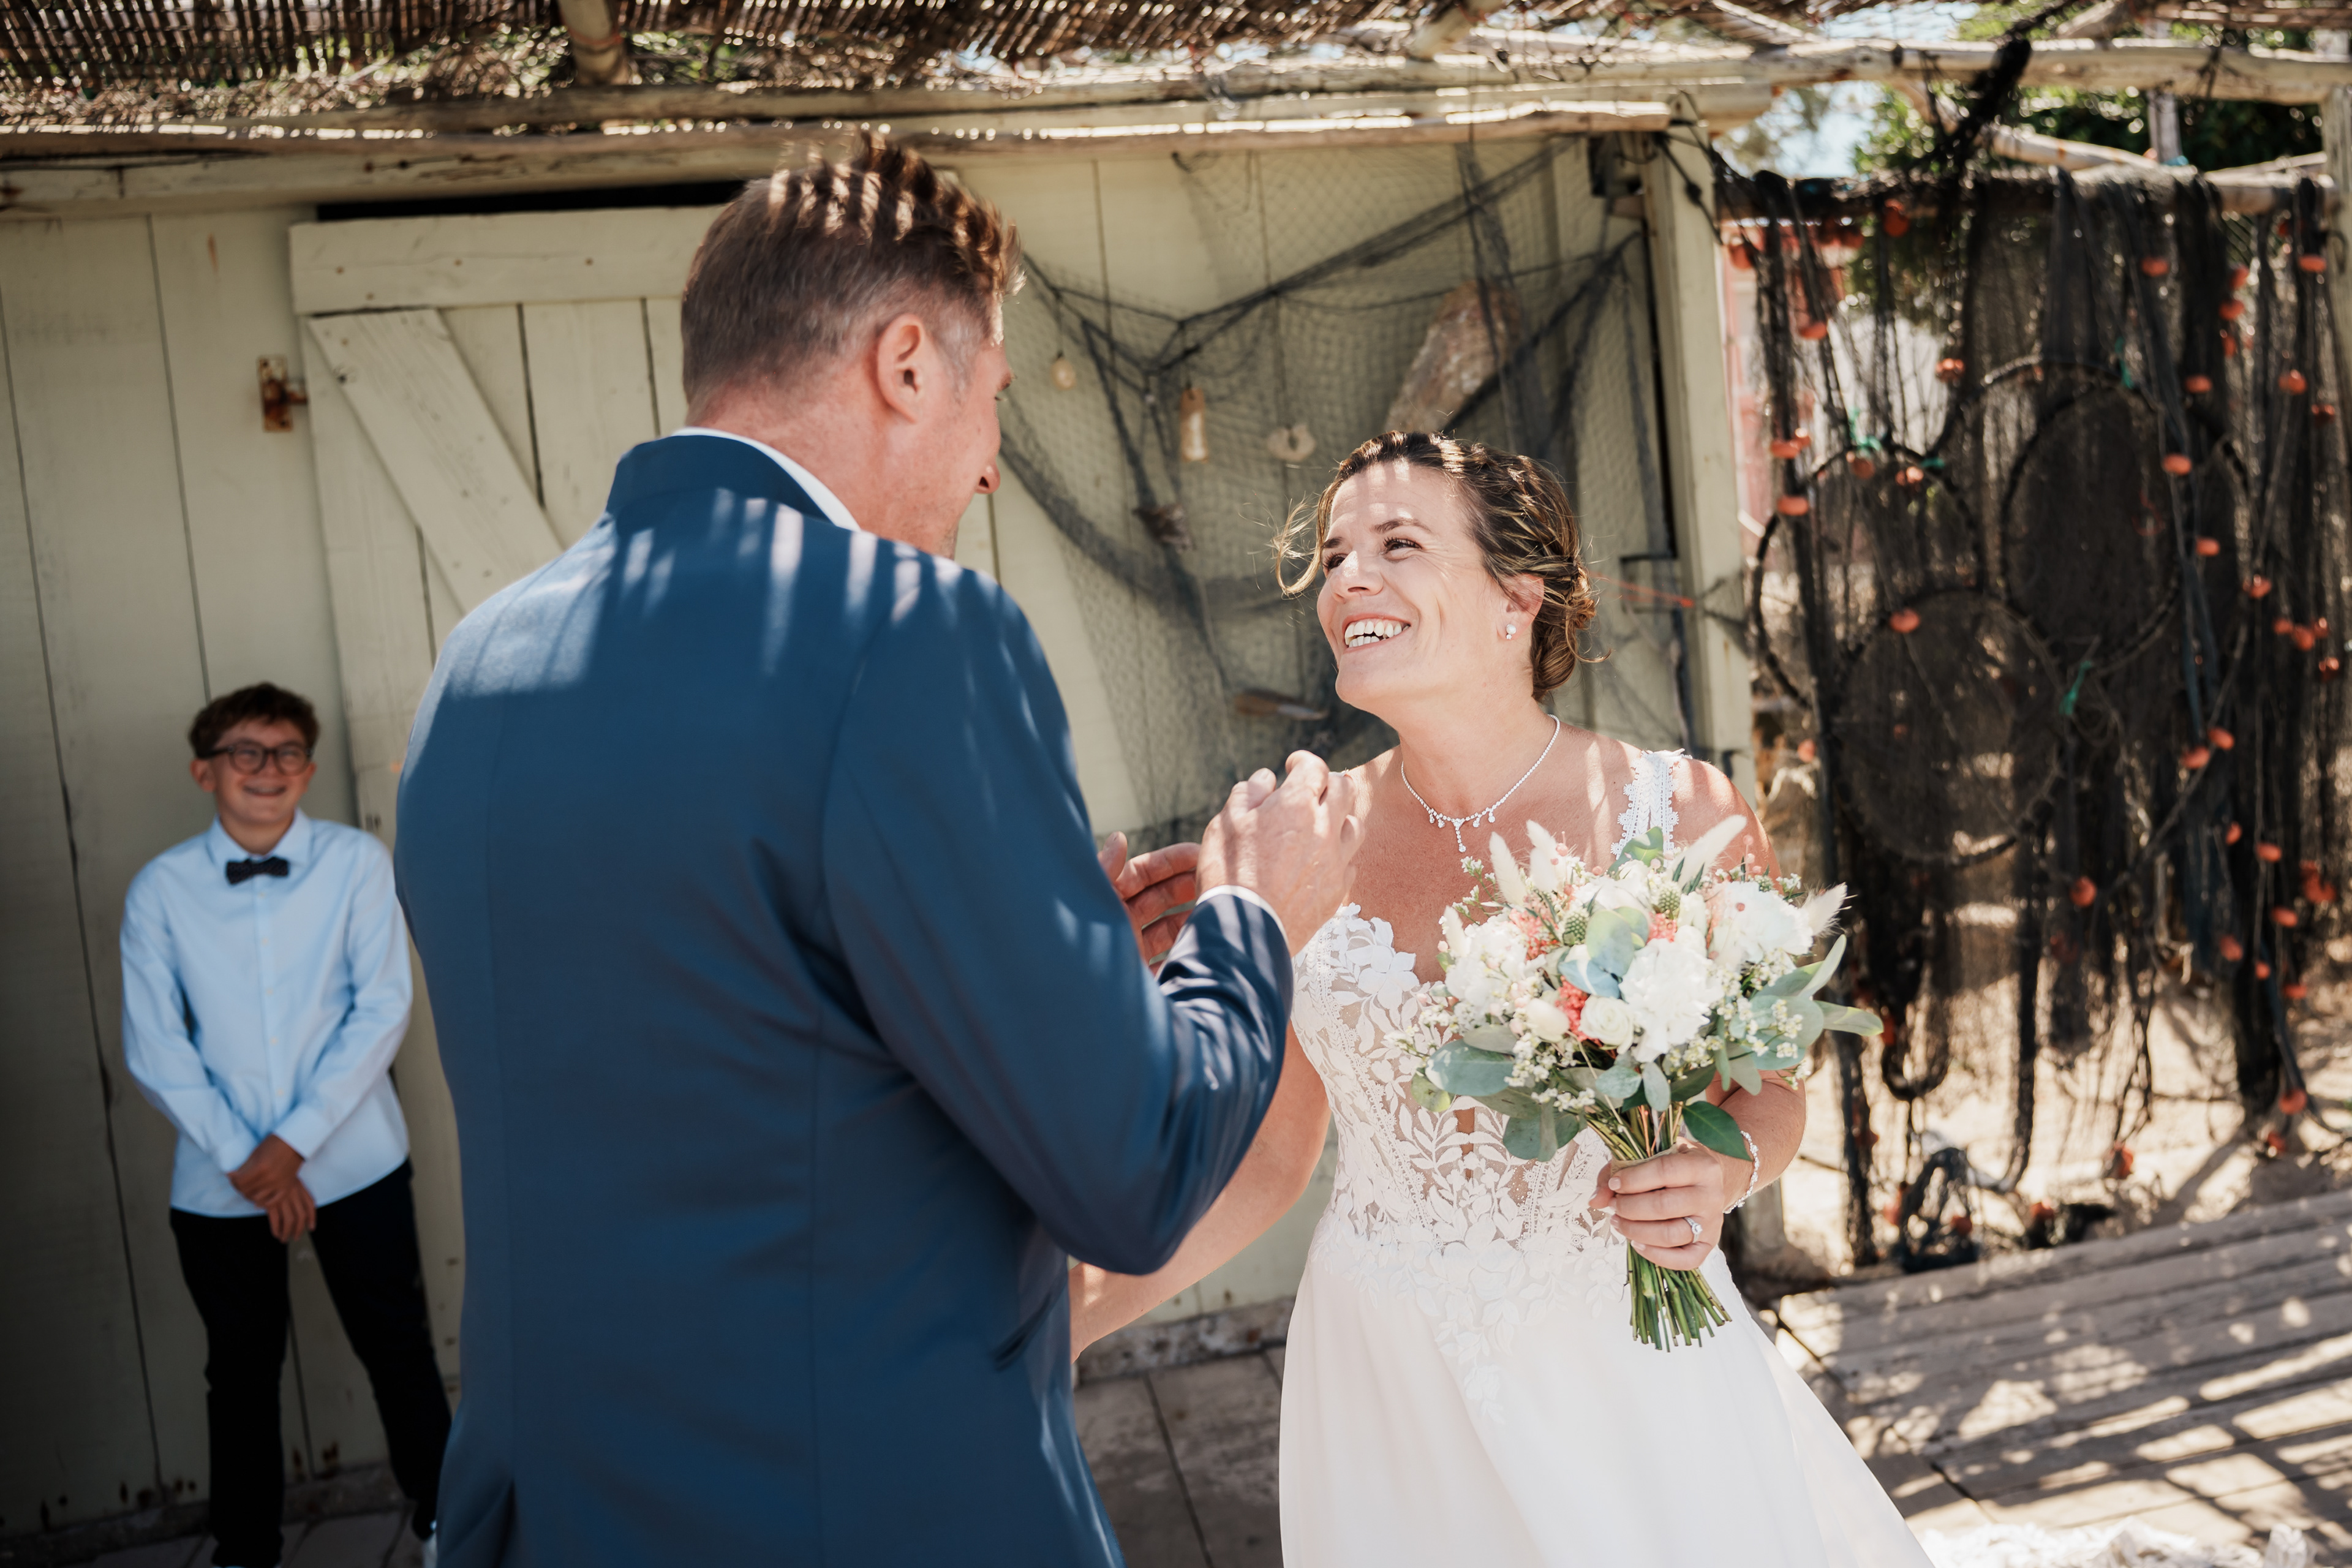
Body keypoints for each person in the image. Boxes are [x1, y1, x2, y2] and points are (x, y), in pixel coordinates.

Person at [393, 137, 1361, 1567]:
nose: (987, 469)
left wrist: (1036, 949)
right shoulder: (909, 630)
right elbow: (1134, 1175)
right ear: (908, 361)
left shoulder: (478, 663)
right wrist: (1254, 918)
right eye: (994, 395)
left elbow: (727, 1025)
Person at [1068, 434, 1934, 1566]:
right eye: (1333, 556)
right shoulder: (1302, 837)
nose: (1347, 582)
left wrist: (1727, 1171)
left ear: (1515, 598)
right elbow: (1275, 1159)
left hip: (1628, 1363)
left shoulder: (1678, 813)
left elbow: (1769, 1091)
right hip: (1383, 1377)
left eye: (1397, 545)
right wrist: (1050, 1332)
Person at [120, 682, 451, 1568]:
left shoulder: (356, 864)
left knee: (398, 1345)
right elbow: (156, 1047)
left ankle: (443, 1521)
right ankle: (246, 1550)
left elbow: (382, 1009)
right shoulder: (159, 892)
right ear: (205, 771)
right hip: (219, 1181)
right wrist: (248, 1159)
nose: (267, 771)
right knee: (239, 1370)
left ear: (306, 769)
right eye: (244, 753)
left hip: (356, 1160)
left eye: (287, 753)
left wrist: (291, 1146)